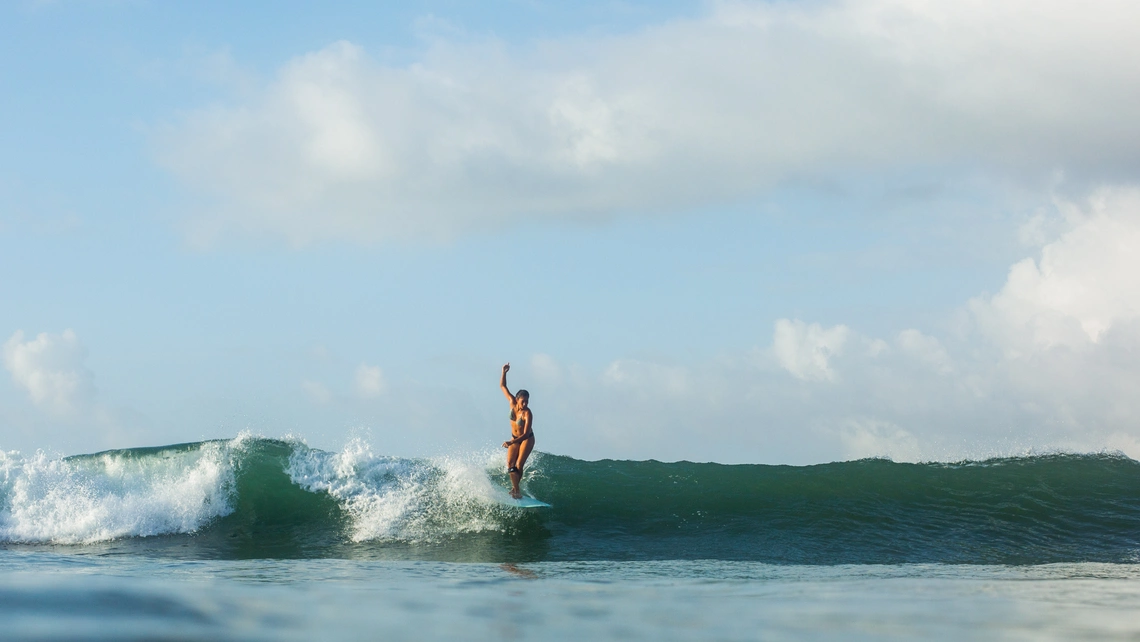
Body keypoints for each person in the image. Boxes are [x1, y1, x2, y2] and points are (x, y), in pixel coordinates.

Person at [500, 362, 534, 499]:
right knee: (510, 465)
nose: (525, 404)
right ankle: (515, 488)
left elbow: (525, 434)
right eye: (523, 401)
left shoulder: (527, 413)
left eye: (527, 401)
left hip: (527, 439)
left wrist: (510, 442)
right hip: (514, 438)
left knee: (519, 464)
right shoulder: (512, 402)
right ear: (517, 399)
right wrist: (504, 372)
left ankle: (516, 490)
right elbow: (503, 386)